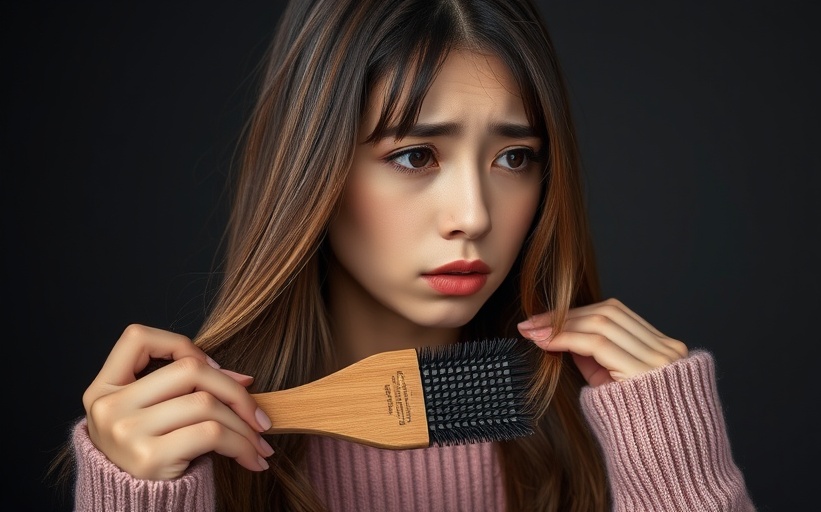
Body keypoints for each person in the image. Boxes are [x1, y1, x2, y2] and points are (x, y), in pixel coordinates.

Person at [54, 0, 755, 510]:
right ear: (312, 170)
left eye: (515, 157)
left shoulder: (618, 431)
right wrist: (141, 499)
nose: (474, 216)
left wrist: (678, 474)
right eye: (417, 155)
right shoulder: (175, 454)